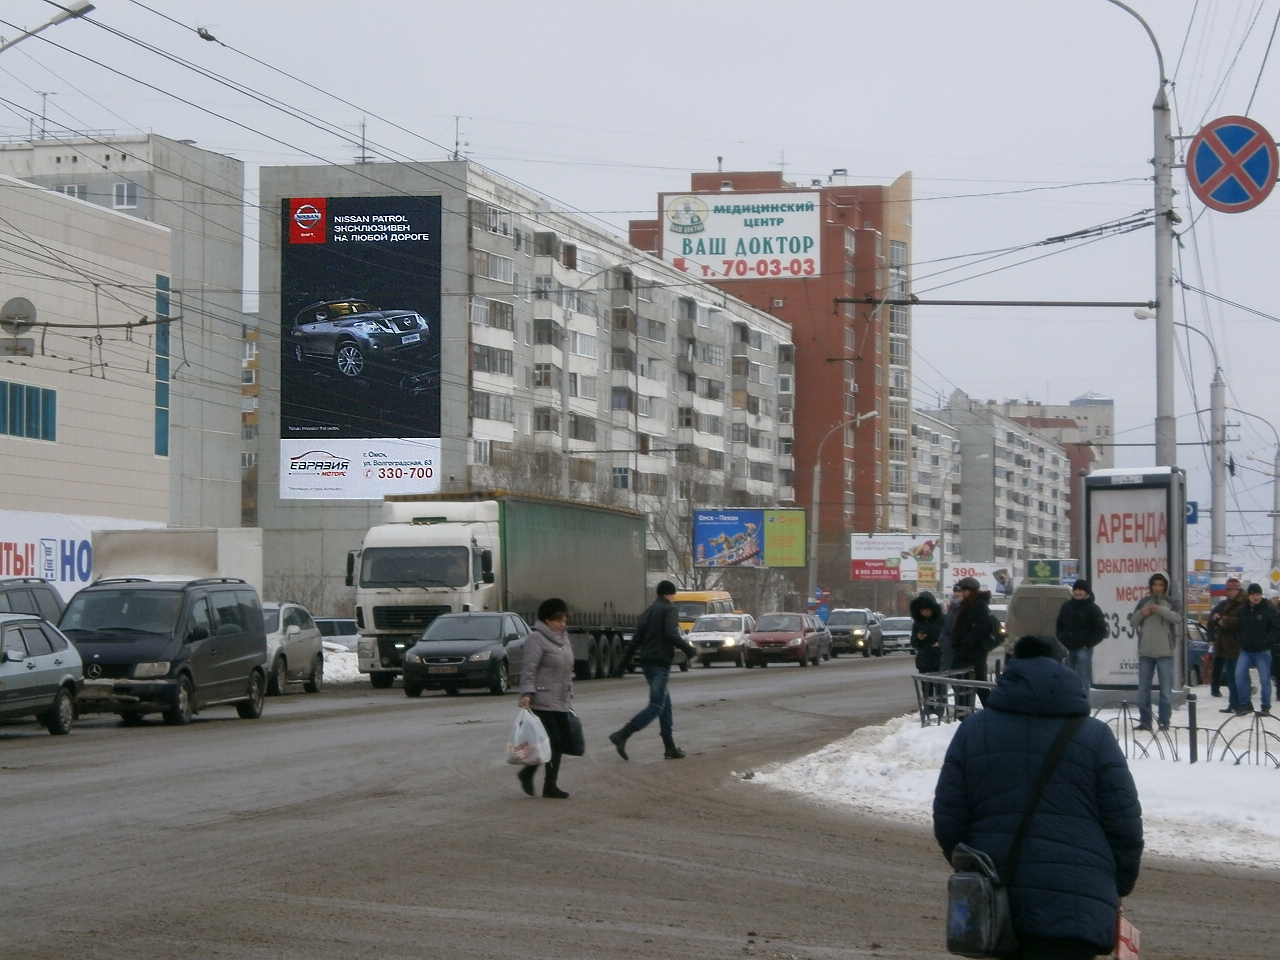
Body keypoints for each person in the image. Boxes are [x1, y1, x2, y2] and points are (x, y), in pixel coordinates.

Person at [933, 635, 1144, 960]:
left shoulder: (974, 731)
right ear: (1064, 671)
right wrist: (1118, 883)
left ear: (1010, 671)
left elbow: (949, 819)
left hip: (999, 906)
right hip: (1078, 909)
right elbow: (1124, 823)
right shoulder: (1095, 735)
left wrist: (975, 869)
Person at [609, 580, 698, 760]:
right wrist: (689, 649)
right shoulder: (669, 610)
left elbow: (635, 640)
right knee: (657, 705)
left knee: (665, 706)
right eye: (673, 594)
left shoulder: (648, 612)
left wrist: (621, 666)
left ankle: (670, 748)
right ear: (668, 594)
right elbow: (671, 634)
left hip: (647, 662)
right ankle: (622, 734)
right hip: (660, 663)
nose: (674, 598)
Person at [517, 598, 575, 799]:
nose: (562, 624)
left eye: (564, 620)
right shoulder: (536, 638)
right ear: (547, 619)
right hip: (541, 699)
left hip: (560, 701)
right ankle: (549, 785)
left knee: (559, 742)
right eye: (558, 620)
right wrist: (527, 693)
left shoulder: (563, 639)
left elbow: (566, 670)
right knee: (553, 742)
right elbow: (528, 669)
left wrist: (569, 691)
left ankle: (528, 773)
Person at [1127, 572, 1179, 732]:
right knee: (1143, 690)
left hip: (1165, 653)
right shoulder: (1144, 602)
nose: (1157, 588)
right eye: (1155, 585)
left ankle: (1164, 722)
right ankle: (1145, 721)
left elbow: (1178, 618)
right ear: (1151, 586)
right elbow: (1133, 623)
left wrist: (1161, 610)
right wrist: (1142, 613)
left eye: (1160, 585)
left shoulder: (1172, 602)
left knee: (1165, 691)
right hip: (1145, 653)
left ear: (1165, 586)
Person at [947, 576, 995, 707]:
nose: (961, 593)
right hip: (965, 651)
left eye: (963, 591)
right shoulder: (967, 604)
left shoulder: (979, 604)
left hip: (974, 652)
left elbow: (982, 627)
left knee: (979, 684)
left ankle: (991, 710)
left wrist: (967, 642)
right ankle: (964, 712)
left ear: (970, 591)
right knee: (963, 683)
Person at [1055, 578, 1108, 692]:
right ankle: (1068, 706)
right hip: (1067, 648)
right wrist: (1061, 639)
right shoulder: (1067, 606)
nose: (1077, 592)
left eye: (1081, 590)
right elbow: (1059, 624)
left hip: (1083, 650)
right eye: (1076, 590)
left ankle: (1083, 707)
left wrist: (1088, 644)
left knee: (1083, 682)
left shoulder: (1093, 608)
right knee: (1066, 680)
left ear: (1087, 592)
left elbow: (1102, 631)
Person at [1233, 582, 1278, 717]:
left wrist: (1266, 641)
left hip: (1263, 651)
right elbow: (1238, 628)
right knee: (1239, 674)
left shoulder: (1268, 610)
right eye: (1253, 595)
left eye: (1258, 594)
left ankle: (1265, 706)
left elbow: (1276, 629)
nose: (1256, 597)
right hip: (1246, 650)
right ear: (1249, 596)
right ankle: (1245, 703)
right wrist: (1240, 639)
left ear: (1261, 595)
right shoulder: (1243, 610)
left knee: (1265, 679)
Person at [1209, 577, 1245, 711]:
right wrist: (1217, 619)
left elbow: (1241, 621)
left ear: (1237, 589)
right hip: (1227, 646)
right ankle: (1233, 703)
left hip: (1237, 644)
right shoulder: (1228, 603)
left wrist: (1223, 620)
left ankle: (1242, 703)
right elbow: (1213, 617)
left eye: (1231, 590)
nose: (1228, 592)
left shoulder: (1243, 602)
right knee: (1231, 676)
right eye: (1227, 589)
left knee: (1238, 676)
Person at [910, 591, 944, 716]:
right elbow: (913, 642)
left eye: (927, 610)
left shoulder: (942, 620)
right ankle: (929, 708)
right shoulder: (918, 623)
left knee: (940, 686)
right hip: (924, 659)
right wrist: (918, 637)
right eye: (922, 610)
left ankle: (941, 709)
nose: (924, 613)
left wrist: (940, 643)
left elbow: (948, 637)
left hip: (939, 657)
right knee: (926, 687)